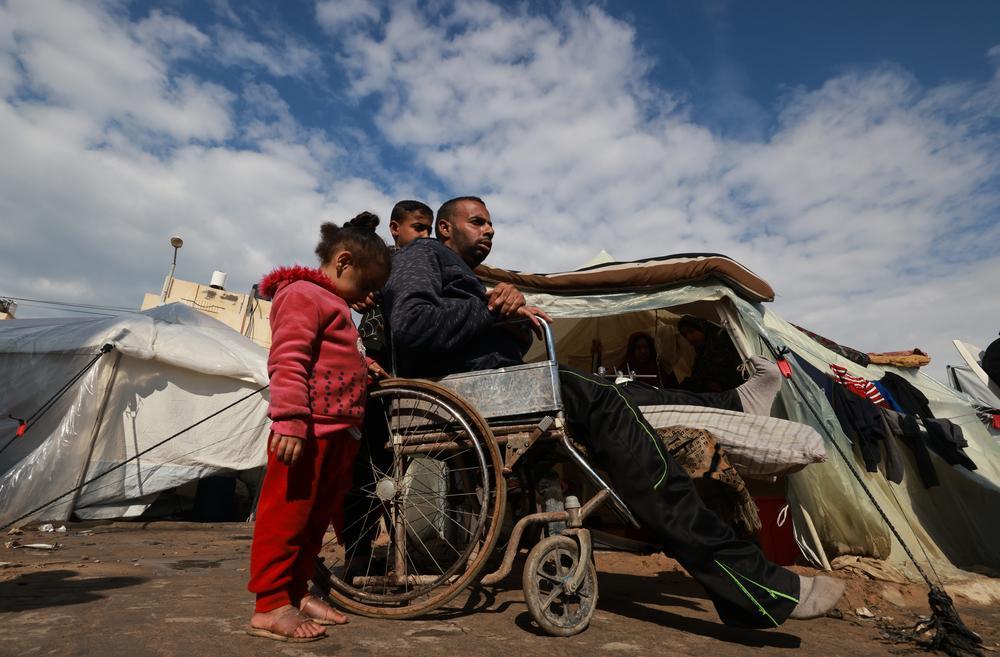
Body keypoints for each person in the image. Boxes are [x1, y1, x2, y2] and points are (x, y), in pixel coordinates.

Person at [382, 196, 844, 629]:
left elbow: (483, 340)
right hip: (468, 395)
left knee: (619, 390)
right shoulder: (421, 256)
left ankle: (733, 404)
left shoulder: (460, 274)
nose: (491, 229)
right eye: (477, 221)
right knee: (612, 403)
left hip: (493, 386)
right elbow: (412, 328)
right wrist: (488, 309)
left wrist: (510, 315)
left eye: (491, 223)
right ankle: (751, 583)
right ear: (444, 228)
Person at [247, 213, 391, 642]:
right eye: (366, 287)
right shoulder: (302, 295)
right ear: (343, 262)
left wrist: (363, 365)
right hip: (306, 431)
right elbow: (289, 358)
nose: (368, 297)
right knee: (286, 518)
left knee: (313, 523)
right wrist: (289, 420)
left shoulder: (335, 305)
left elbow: (331, 353)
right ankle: (271, 604)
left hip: (339, 433)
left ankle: (296, 591)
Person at [677, 315, 743, 393]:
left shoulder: (724, 346)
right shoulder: (702, 352)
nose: (689, 338)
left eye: (691, 331)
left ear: (702, 328)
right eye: (685, 335)